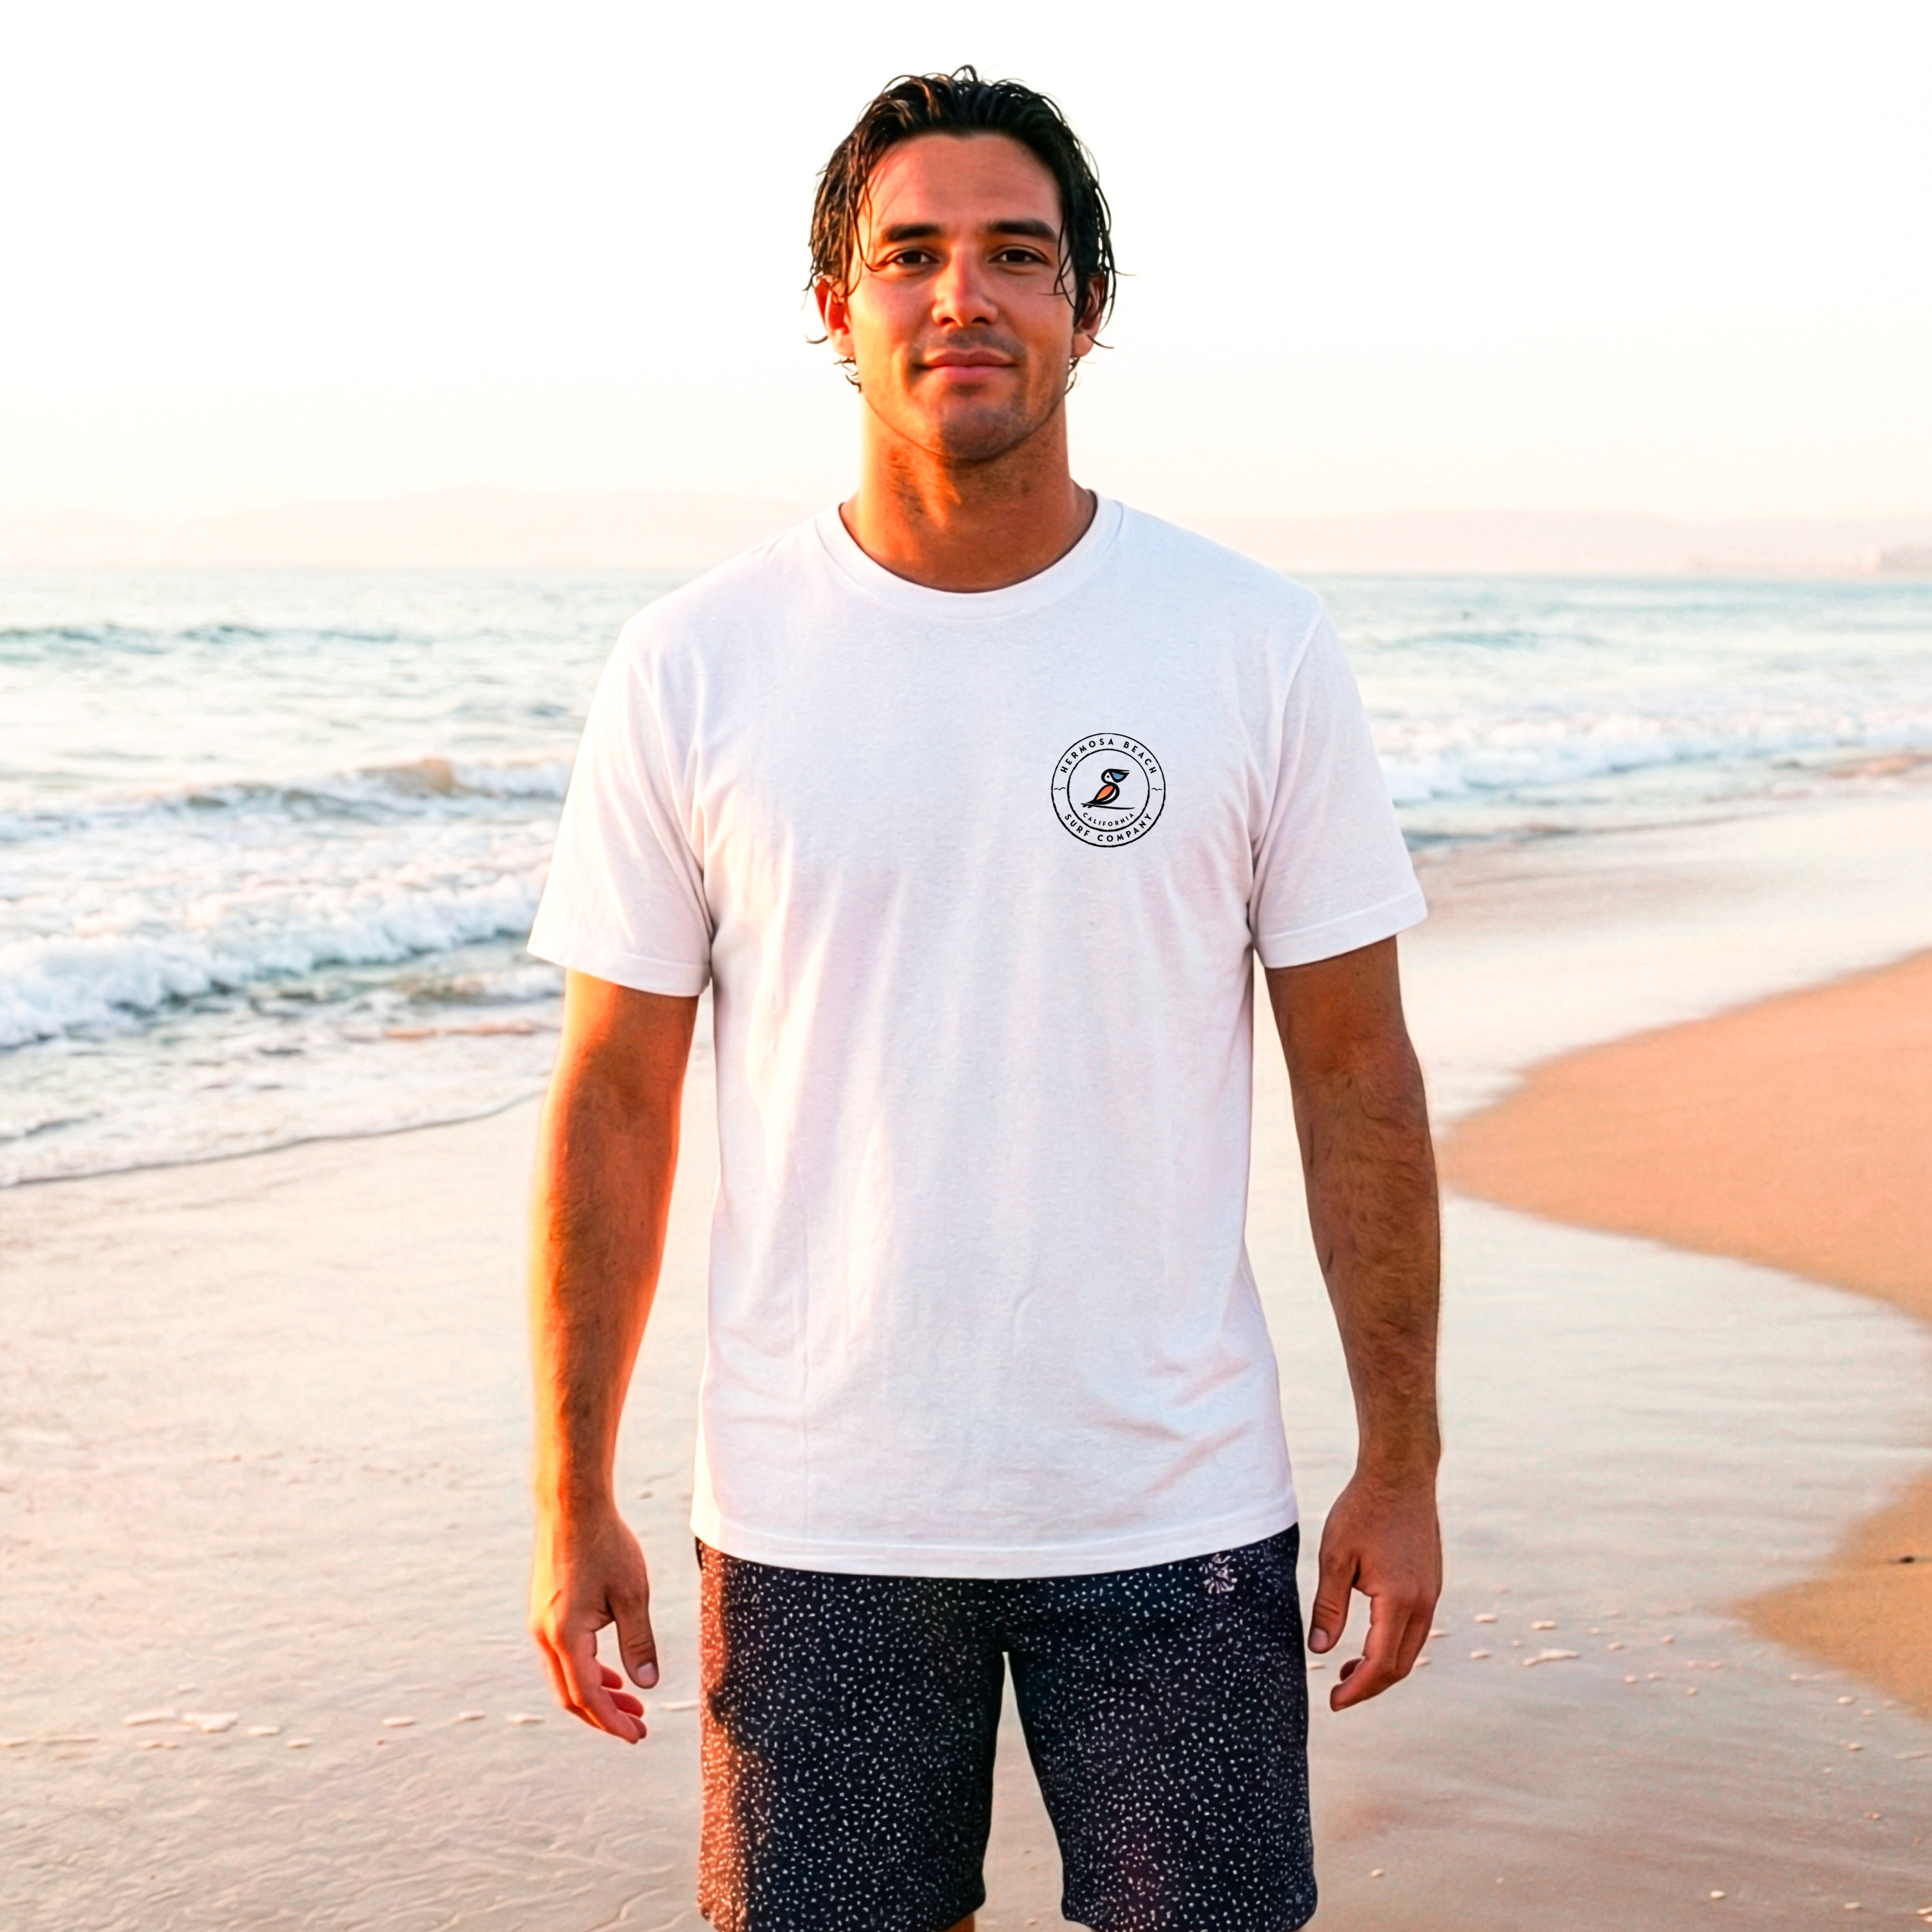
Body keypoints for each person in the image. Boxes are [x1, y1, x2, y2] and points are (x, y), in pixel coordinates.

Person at [525, 66, 1441, 1932]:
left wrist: (1403, 1462)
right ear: (834, 310)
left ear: (1085, 311)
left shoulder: (1250, 643)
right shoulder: (696, 664)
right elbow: (614, 1094)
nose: (964, 297)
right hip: (817, 1512)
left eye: (1018, 257)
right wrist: (572, 1494)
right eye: (910, 256)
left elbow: (1357, 1071)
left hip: (1171, 1506)